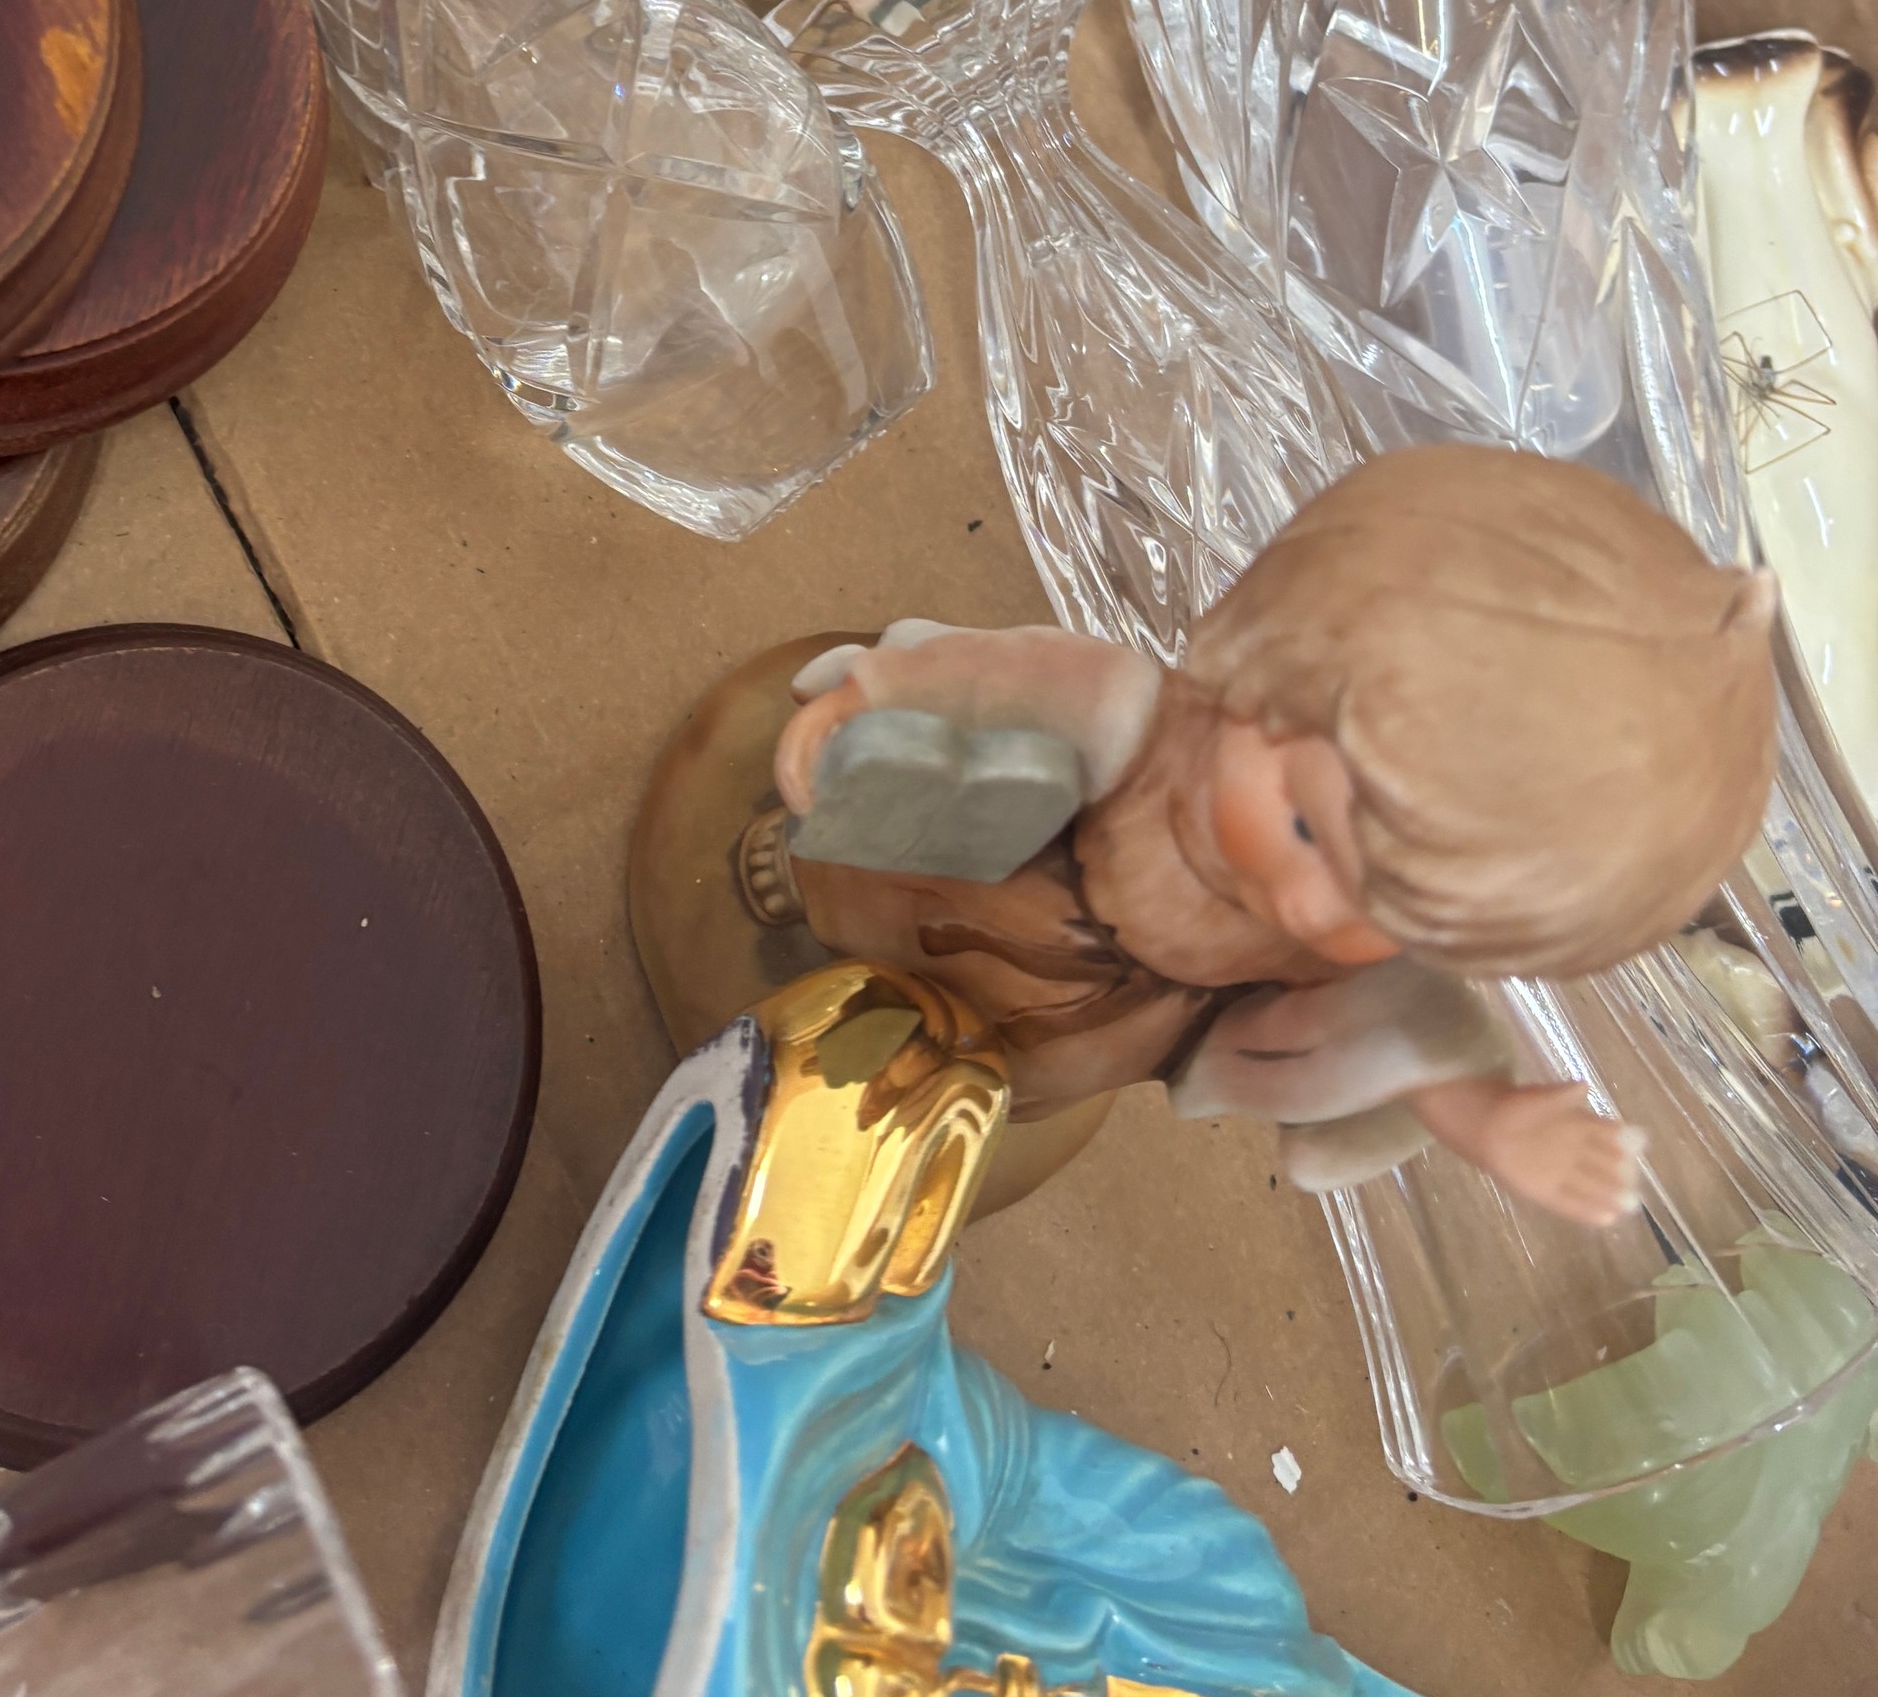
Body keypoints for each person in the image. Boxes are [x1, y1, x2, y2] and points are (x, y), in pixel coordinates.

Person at [750, 447, 1779, 1223]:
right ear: (1277, 656)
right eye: (1302, 826)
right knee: (868, 876)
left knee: (1001, 1077)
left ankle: (904, 1103)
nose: (1306, 905)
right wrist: (865, 704)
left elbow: (1407, 1045)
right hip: (1007, 866)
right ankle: (796, 884)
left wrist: (1493, 1122)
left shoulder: (1308, 948)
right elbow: (987, 682)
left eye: (1388, 912)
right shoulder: (1125, 722)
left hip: (1106, 1017)